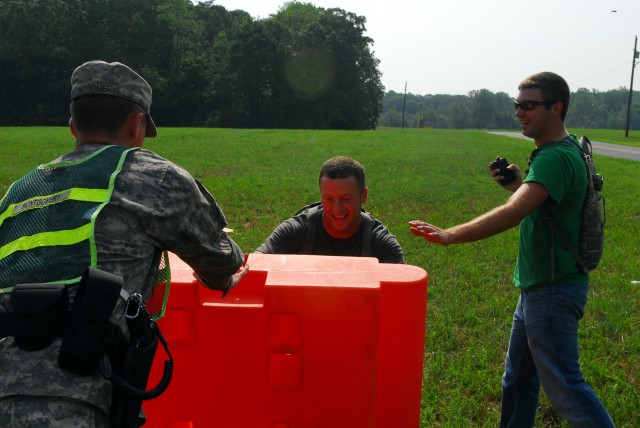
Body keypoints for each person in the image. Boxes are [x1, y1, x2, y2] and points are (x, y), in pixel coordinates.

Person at [0, 60, 248, 427]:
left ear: (73, 128)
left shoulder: (17, 193)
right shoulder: (155, 177)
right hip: (79, 400)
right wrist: (228, 275)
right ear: (136, 124)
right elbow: (220, 263)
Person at [409, 72, 614, 427]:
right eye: (517, 104)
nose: (519, 112)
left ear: (557, 108)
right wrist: (520, 185)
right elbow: (544, 207)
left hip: (553, 290)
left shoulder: (555, 158)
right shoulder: (560, 152)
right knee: (517, 380)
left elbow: (514, 212)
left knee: (567, 388)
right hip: (538, 288)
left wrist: (450, 235)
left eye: (529, 105)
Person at [255, 156, 404, 264]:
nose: (337, 209)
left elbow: (401, 291)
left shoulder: (380, 242)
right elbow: (257, 263)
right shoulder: (295, 231)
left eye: (346, 199)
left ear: (363, 195)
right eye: (329, 198)